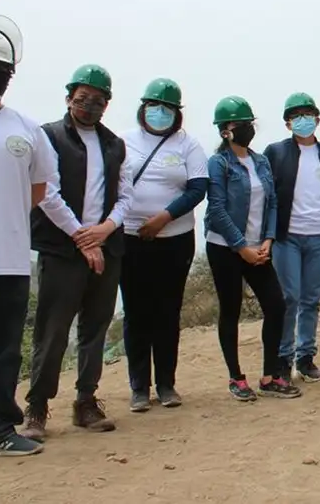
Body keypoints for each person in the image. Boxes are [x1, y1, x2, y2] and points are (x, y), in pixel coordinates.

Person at [22, 64, 133, 441]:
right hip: (61, 250)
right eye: (83, 98)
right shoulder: (48, 136)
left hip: (107, 247)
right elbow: (46, 192)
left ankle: (86, 401)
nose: (89, 106)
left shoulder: (114, 144)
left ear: (107, 104)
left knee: (95, 327)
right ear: (69, 97)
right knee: (52, 330)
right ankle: (37, 407)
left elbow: (125, 195)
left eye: (98, 100)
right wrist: (82, 238)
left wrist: (105, 230)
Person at [119, 78, 208, 412]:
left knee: (167, 312)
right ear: (143, 108)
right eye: (153, 106)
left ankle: (166, 384)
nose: (159, 112)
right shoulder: (123, 142)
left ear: (177, 113)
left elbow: (198, 189)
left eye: (167, 108)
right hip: (131, 239)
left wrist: (164, 218)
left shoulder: (188, 145)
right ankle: (139, 387)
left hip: (175, 241)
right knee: (136, 313)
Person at [204, 96, 301, 401]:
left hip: (259, 248)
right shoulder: (218, 163)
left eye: (249, 123)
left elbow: (271, 203)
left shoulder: (260, 162)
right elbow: (217, 209)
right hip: (225, 248)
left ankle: (270, 376)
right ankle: (236, 377)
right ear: (225, 131)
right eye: (240, 124)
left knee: (276, 305)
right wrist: (240, 246)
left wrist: (268, 240)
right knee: (230, 310)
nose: (247, 128)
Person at [0, 16, 53, 456]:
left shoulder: (26, 130)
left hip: (9, 258)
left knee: (4, 349)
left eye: (1, 69)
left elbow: (37, 190)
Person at [264, 92, 320, 383]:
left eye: (308, 115)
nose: (303, 120)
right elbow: (266, 196)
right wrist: (267, 236)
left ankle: (306, 357)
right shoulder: (275, 153)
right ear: (288, 124)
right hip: (286, 237)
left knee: (311, 299)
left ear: (317, 119)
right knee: (289, 297)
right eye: (296, 116)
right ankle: (283, 358)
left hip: (319, 237)